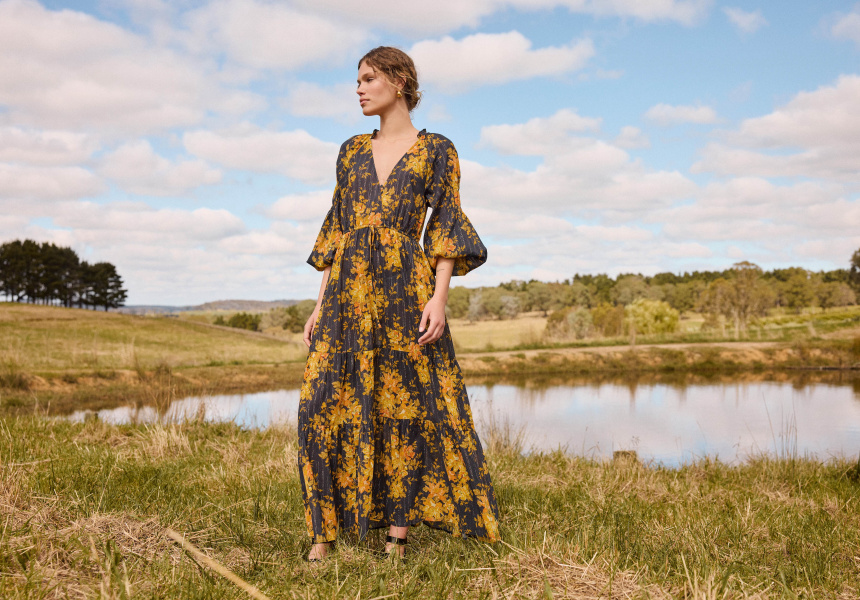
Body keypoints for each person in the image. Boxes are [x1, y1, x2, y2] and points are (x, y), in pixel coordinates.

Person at [299, 46, 501, 562]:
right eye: (358, 80)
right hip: (346, 292)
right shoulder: (349, 151)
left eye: (369, 78)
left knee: (403, 406)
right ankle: (323, 533)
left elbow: (447, 224)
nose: (359, 89)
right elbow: (337, 229)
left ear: (400, 80)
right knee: (321, 404)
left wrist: (439, 298)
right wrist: (319, 305)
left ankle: (397, 536)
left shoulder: (437, 149)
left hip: (405, 288)